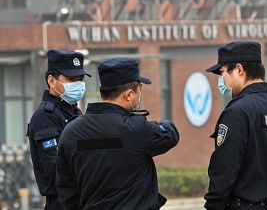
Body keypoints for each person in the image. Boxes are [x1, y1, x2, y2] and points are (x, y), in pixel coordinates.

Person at [56, 58, 180, 210]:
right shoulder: (136, 129)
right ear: (129, 94)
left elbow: (66, 189)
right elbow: (170, 135)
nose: (139, 96)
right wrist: (162, 124)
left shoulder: (70, 132)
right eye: (139, 90)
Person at [204, 41, 267, 210]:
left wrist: (214, 204)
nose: (222, 80)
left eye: (222, 73)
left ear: (239, 70)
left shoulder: (238, 112)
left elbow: (225, 170)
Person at [27, 49, 90, 210]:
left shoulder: (74, 111)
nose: (77, 84)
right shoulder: (45, 117)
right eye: (70, 79)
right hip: (61, 203)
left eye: (80, 79)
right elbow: (55, 168)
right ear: (52, 81)